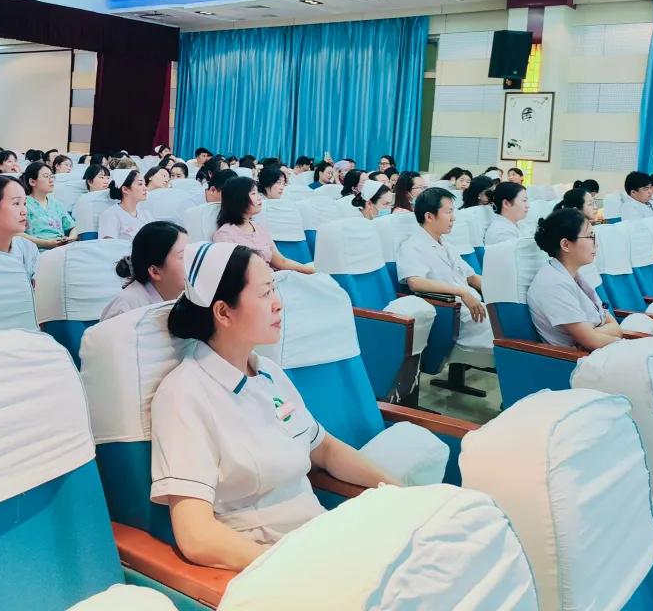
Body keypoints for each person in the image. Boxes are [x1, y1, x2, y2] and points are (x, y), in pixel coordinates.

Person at [152, 242, 395, 570]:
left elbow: (325, 449)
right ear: (223, 312)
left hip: (320, 537)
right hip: (269, 559)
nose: (279, 304)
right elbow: (197, 536)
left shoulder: (268, 372)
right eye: (265, 293)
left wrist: (398, 490)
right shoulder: (184, 394)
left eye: (274, 289)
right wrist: (292, 570)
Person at [397, 187, 492, 361]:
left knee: (510, 323)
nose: (453, 218)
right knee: (508, 337)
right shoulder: (412, 246)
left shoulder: (446, 245)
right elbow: (415, 282)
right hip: (450, 315)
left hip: (473, 306)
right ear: (429, 216)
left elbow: (471, 277)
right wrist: (461, 291)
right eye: (448, 212)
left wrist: (502, 292)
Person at [528, 209, 623, 350]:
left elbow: (616, 328)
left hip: (600, 351)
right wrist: (598, 335)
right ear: (566, 245)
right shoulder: (553, 284)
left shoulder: (573, 276)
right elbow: (592, 341)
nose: (596, 244)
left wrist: (593, 333)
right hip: (580, 359)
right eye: (590, 237)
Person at [213, 176, 313, 274]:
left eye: (257, 193)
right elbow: (236, 273)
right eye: (253, 193)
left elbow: (281, 262)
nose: (259, 197)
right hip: (260, 283)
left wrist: (312, 271)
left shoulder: (259, 228)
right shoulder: (225, 235)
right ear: (238, 199)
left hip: (275, 277)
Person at [100, 222, 189, 321]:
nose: (194, 260)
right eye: (183, 256)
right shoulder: (124, 311)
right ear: (155, 272)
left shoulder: (185, 297)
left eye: (191, 252)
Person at [22, 162, 75, 248]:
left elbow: (73, 227)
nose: (51, 180)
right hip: (37, 250)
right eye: (46, 176)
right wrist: (46, 244)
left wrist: (70, 239)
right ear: (32, 182)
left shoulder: (56, 204)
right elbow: (16, 233)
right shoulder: (22, 203)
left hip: (62, 248)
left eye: (52, 176)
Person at [98, 169, 154, 241]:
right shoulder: (110, 215)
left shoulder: (146, 214)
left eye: (145, 184)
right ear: (125, 189)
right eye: (140, 184)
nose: (145, 188)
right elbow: (109, 245)